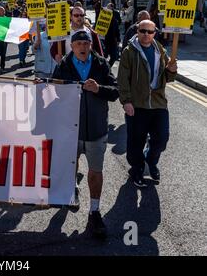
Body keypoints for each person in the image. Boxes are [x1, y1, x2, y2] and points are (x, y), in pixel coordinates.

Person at [52, 30, 119, 239]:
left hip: (96, 130)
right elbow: (52, 92)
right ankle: (72, 189)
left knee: (96, 171)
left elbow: (115, 91)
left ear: (91, 45)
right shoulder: (63, 66)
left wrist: (99, 88)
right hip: (71, 130)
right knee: (72, 164)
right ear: (72, 46)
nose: (82, 47)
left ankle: (95, 211)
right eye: (78, 43)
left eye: (85, 43)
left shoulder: (101, 64)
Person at [117, 20, 177, 188]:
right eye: (143, 31)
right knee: (135, 142)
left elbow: (168, 78)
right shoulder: (129, 52)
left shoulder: (161, 51)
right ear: (138, 30)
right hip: (137, 104)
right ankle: (136, 169)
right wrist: (126, 101)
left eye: (150, 32)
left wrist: (172, 71)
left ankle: (151, 160)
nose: (146, 34)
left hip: (158, 103)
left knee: (162, 138)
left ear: (154, 33)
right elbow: (122, 79)